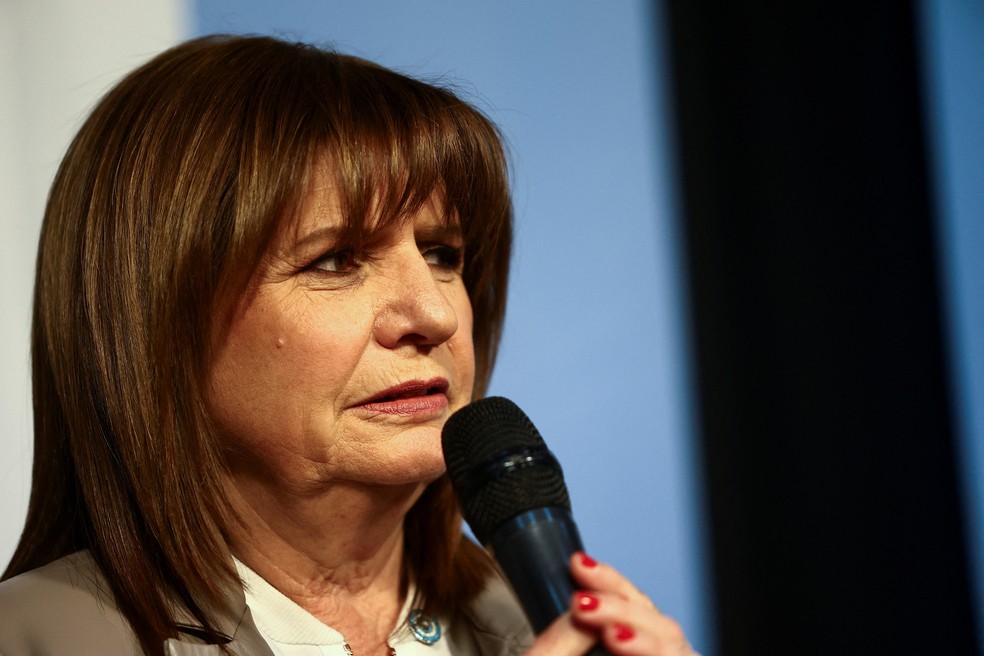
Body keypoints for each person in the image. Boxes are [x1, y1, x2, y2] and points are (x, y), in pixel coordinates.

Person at [0, 35, 695, 656]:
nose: (433, 314)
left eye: (444, 253)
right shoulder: (34, 638)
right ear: (153, 320)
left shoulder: (538, 627)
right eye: (336, 260)